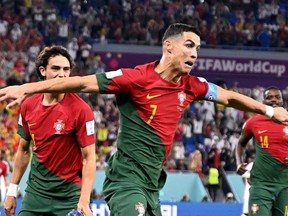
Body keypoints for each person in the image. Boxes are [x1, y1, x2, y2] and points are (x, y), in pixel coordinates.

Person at [1, 23, 288, 216]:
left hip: (153, 183)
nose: (195, 53)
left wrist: (269, 111)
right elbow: (76, 83)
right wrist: (26, 88)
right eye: (189, 45)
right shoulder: (134, 78)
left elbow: (229, 97)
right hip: (126, 178)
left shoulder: (192, 86)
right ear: (169, 47)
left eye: (198, 48)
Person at [3, 46, 96, 216]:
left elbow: (89, 158)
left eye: (66, 69)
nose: (62, 74)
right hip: (35, 196)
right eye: (56, 68)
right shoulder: (28, 106)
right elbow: (24, 150)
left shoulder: (82, 110)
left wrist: (84, 200)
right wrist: (11, 191)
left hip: (69, 198)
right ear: (43, 70)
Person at [236, 86, 288, 216]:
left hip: (285, 184)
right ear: (263, 101)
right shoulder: (253, 122)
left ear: (282, 100)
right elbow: (240, 144)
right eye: (269, 97)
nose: (274, 100)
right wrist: (239, 162)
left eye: (277, 97)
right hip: (261, 184)